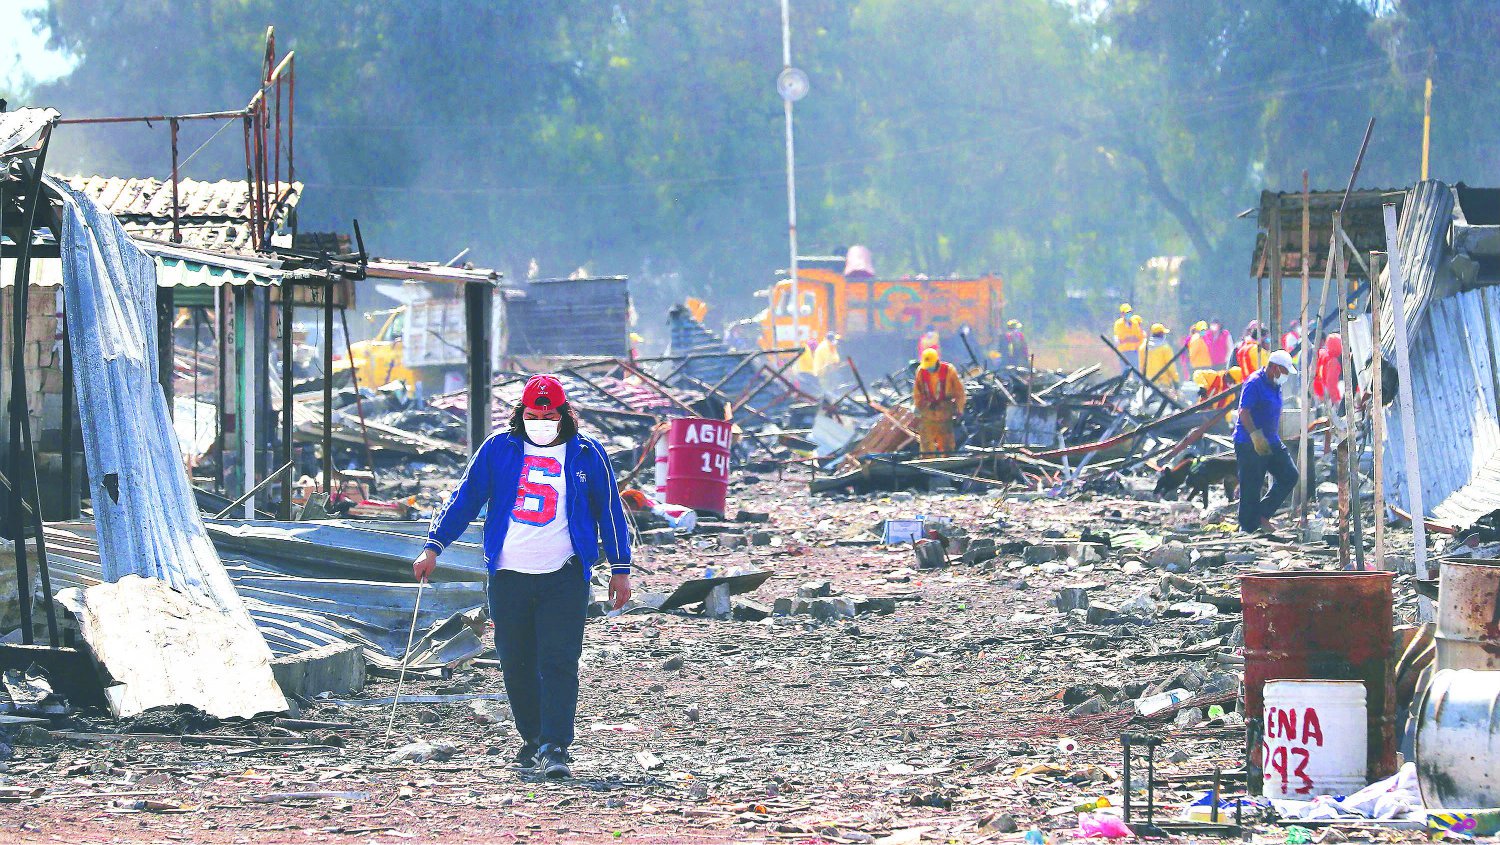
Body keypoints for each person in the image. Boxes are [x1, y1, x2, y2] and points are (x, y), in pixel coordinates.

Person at [412, 374, 633, 779]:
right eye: (534, 414)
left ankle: (555, 745)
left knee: (559, 659)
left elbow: (610, 511)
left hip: (564, 575)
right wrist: (434, 545)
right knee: (515, 662)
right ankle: (531, 738)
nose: (542, 420)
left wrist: (620, 569)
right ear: (521, 415)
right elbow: (465, 499)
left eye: (550, 414)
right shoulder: (499, 449)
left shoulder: (587, 454)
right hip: (509, 575)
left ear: (565, 415)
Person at [1234, 350, 1299, 534]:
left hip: (1271, 439)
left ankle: (1262, 515)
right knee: (1251, 486)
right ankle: (1248, 528)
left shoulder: (1275, 384)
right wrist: (1255, 435)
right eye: (1285, 372)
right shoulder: (1254, 383)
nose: (1286, 376)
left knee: (1289, 475)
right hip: (1249, 441)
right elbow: (1244, 412)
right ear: (1274, 368)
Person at [913, 348, 965, 454]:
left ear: (937, 361)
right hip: (927, 411)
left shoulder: (949, 370)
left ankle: (948, 461)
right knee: (926, 442)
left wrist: (959, 410)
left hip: (945, 410)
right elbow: (917, 392)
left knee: (947, 442)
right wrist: (918, 407)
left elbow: (959, 392)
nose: (929, 368)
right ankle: (927, 462)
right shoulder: (921, 371)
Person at [1141, 323, 1180, 389]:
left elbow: (1141, 366)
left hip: (1148, 383)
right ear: (1161, 334)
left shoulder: (1143, 347)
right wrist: (1175, 380)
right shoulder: (1165, 348)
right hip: (1163, 384)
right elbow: (1171, 367)